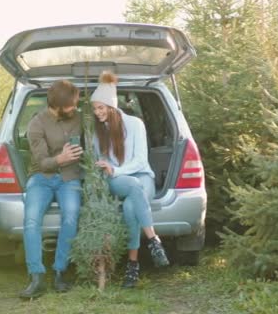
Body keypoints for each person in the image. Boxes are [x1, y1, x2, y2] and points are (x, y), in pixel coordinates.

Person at [90, 71, 170, 288]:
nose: (97, 113)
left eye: (101, 108)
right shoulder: (98, 132)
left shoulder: (135, 124)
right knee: (132, 187)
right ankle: (153, 240)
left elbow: (140, 160)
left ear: (112, 107)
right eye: (95, 108)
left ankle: (132, 266)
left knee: (129, 208)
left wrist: (117, 170)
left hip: (141, 175)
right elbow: (101, 160)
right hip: (116, 179)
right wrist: (109, 169)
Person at [20, 80, 83, 299]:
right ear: (57, 104)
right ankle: (36, 277)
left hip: (70, 177)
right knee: (30, 220)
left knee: (71, 216)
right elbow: (42, 162)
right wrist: (62, 158)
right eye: (70, 105)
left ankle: (60, 272)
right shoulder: (36, 124)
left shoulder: (79, 118)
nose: (74, 108)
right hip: (42, 177)